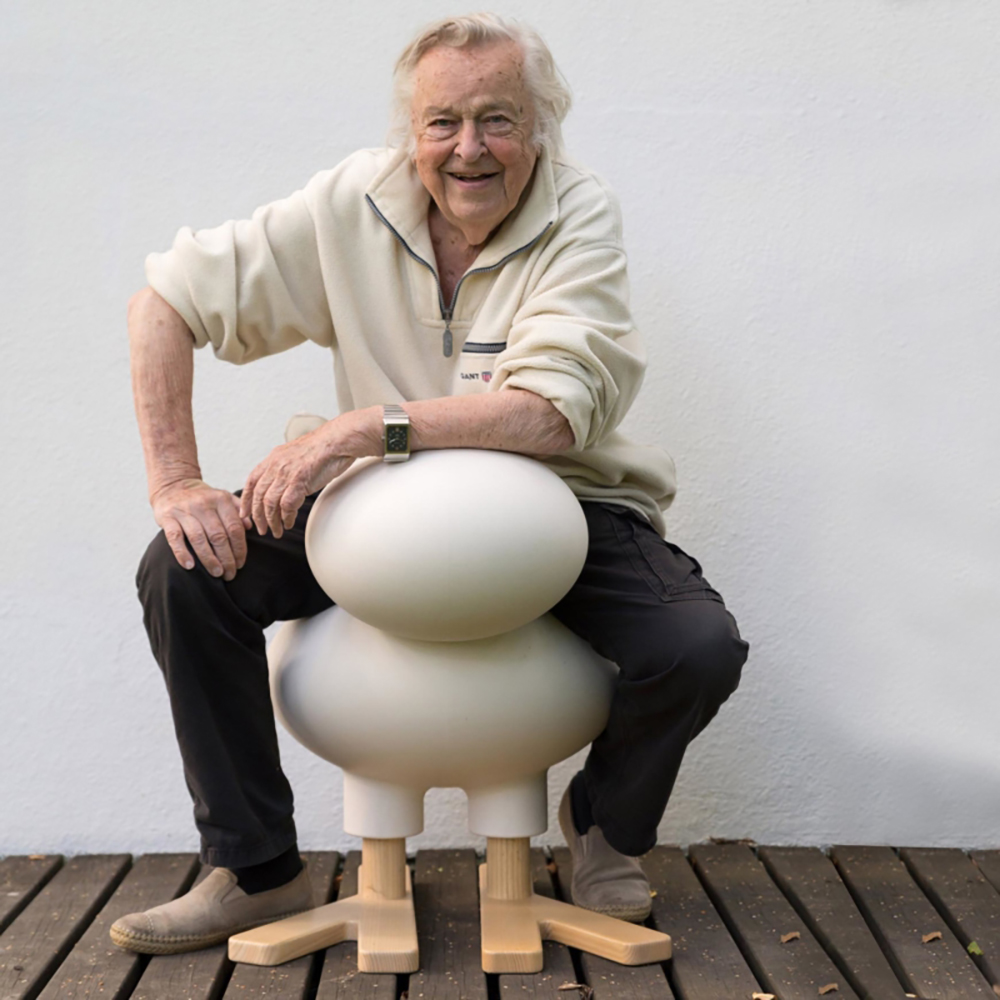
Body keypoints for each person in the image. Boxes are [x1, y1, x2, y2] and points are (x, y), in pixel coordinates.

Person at [111, 13, 749, 955]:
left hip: (560, 502)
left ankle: (605, 827)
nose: (469, 148)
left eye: (498, 119)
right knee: (184, 570)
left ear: (541, 125)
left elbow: (550, 415)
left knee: (697, 648)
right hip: (375, 513)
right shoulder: (350, 201)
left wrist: (364, 427)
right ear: (411, 133)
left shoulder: (580, 213)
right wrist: (175, 481)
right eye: (442, 122)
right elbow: (162, 302)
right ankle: (255, 871)